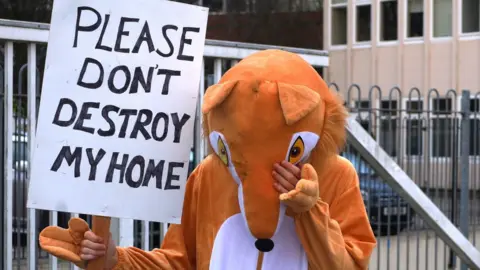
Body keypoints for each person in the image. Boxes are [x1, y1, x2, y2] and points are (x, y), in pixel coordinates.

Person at [39, 49, 377, 270]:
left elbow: (350, 264)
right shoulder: (208, 175)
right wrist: (116, 260)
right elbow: (177, 261)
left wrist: (311, 214)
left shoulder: (337, 176)